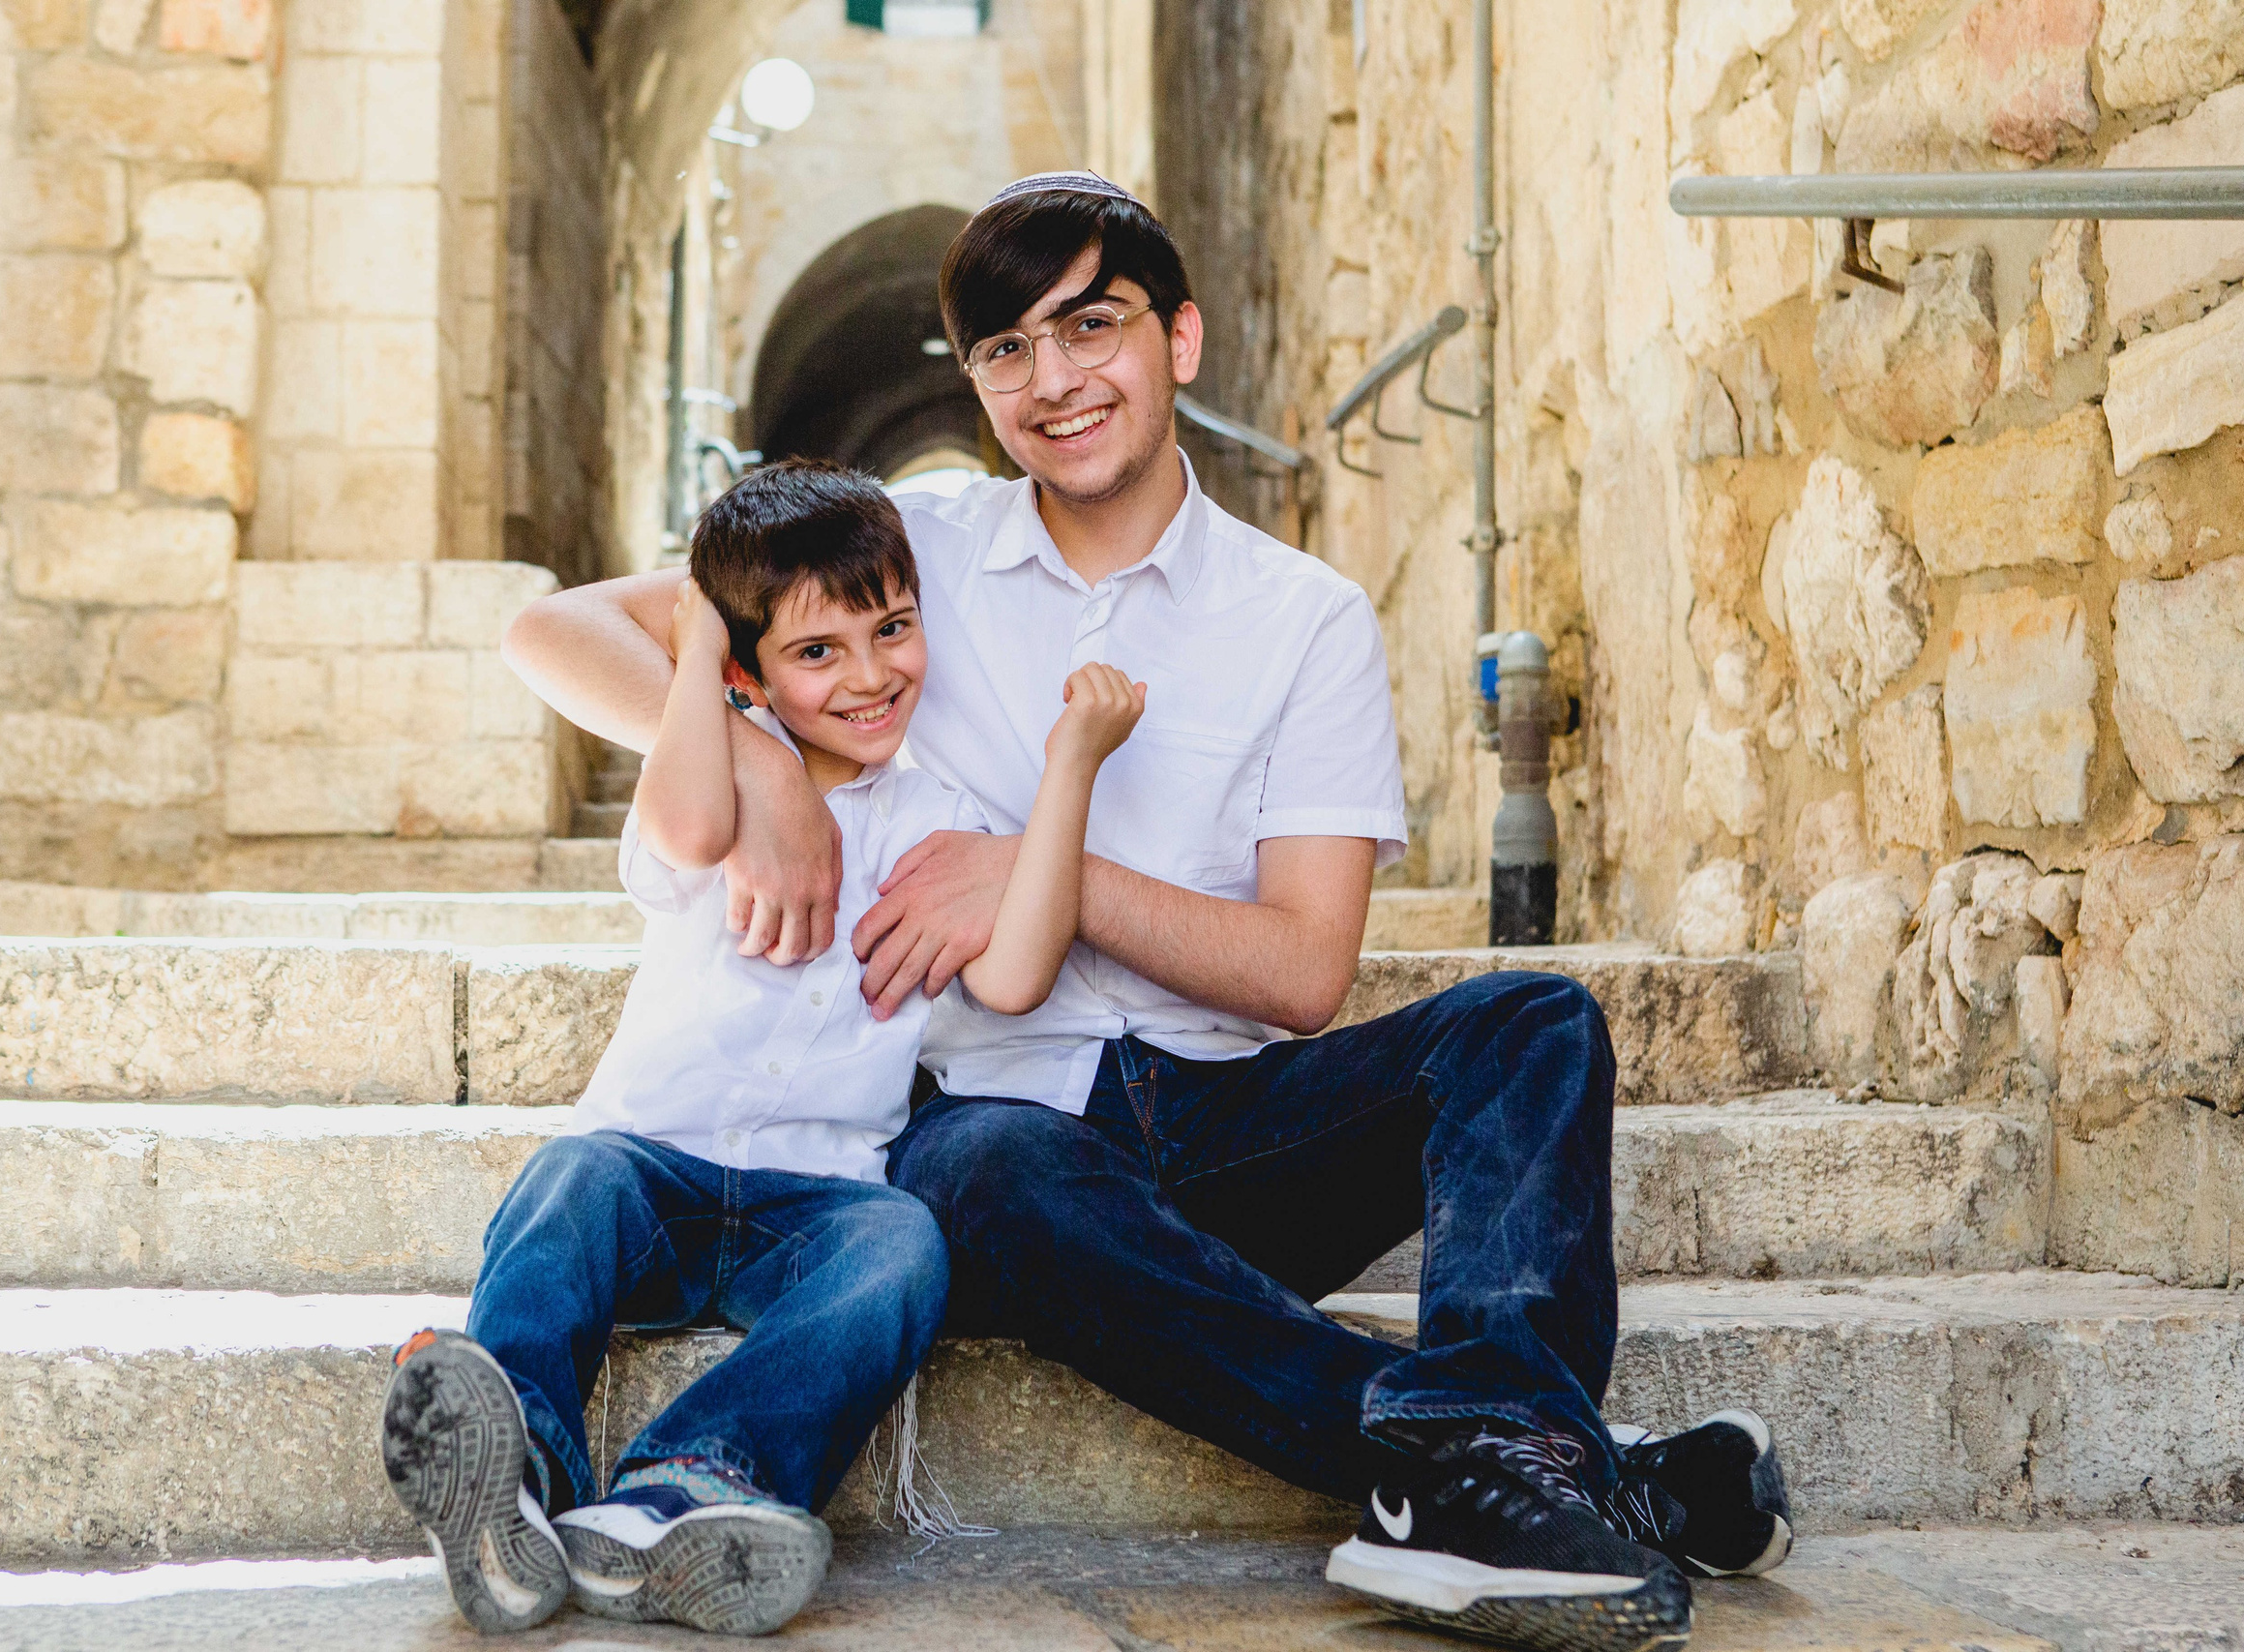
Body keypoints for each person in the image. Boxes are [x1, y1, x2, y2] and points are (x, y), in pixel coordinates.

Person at [501, 175, 1789, 1652]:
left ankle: (1497, 1444)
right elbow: (555, 628)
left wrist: (1045, 875)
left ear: (1179, 338)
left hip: (1236, 1125)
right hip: (1001, 1137)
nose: (1052, 382)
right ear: (979, 385)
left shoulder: (1302, 616)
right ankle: (1535, 1468)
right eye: (1005, 352)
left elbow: (1306, 973)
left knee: (1534, 1022)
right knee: (986, 1157)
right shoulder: (912, 554)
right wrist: (758, 759)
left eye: (1091, 326)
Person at [381, 459, 1146, 1637]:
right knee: (563, 1182)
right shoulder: (719, 790)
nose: (872, 673)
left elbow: (1014, 973)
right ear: (751, 671)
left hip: (819, 1194)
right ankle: (512, 1485)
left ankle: (685, 1491)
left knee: (904, 1247)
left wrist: (1070, 771)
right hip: (651, 1166)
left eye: (892, 629)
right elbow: (687, 823)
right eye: (817, 652)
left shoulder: (941, 824)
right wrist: (704, 667)